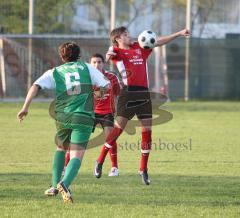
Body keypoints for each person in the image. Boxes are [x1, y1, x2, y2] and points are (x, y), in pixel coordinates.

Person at [94, 26, 190, 185]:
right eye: (125, 34)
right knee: (118, 129)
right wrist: (110, 52)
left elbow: (158, 42)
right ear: (118, 38)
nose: (129, 36)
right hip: (128, 94)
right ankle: (100, 160)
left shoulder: (141, 46)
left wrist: (179, 34)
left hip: (144, 93)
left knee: (147, 132)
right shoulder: (118, 51)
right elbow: (109, 55)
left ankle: (143, 169)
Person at [17, 42, 109, 203]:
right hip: (83, 116)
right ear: (79, 55)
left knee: (60, 148)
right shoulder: (86, 67)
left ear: (62, 56)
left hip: (63, 117)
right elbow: (106, 85)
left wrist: (25, 107)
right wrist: (97, 94)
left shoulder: (55, 71)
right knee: (76, 155)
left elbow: (35, 86)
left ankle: (54, 186)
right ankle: (64, 184)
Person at [64, 53, 121, 177]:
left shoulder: (111, 77)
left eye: (99, 62)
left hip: (107, 112)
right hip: (89, 112)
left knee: (111, 139)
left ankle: (114, 168)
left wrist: (118, 109)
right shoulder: (85, 77)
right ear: (90, 64)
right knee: (77, 139)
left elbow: (118, 93)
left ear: (103, 63)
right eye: (94, 62)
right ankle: (65, 166)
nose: (97, 65)